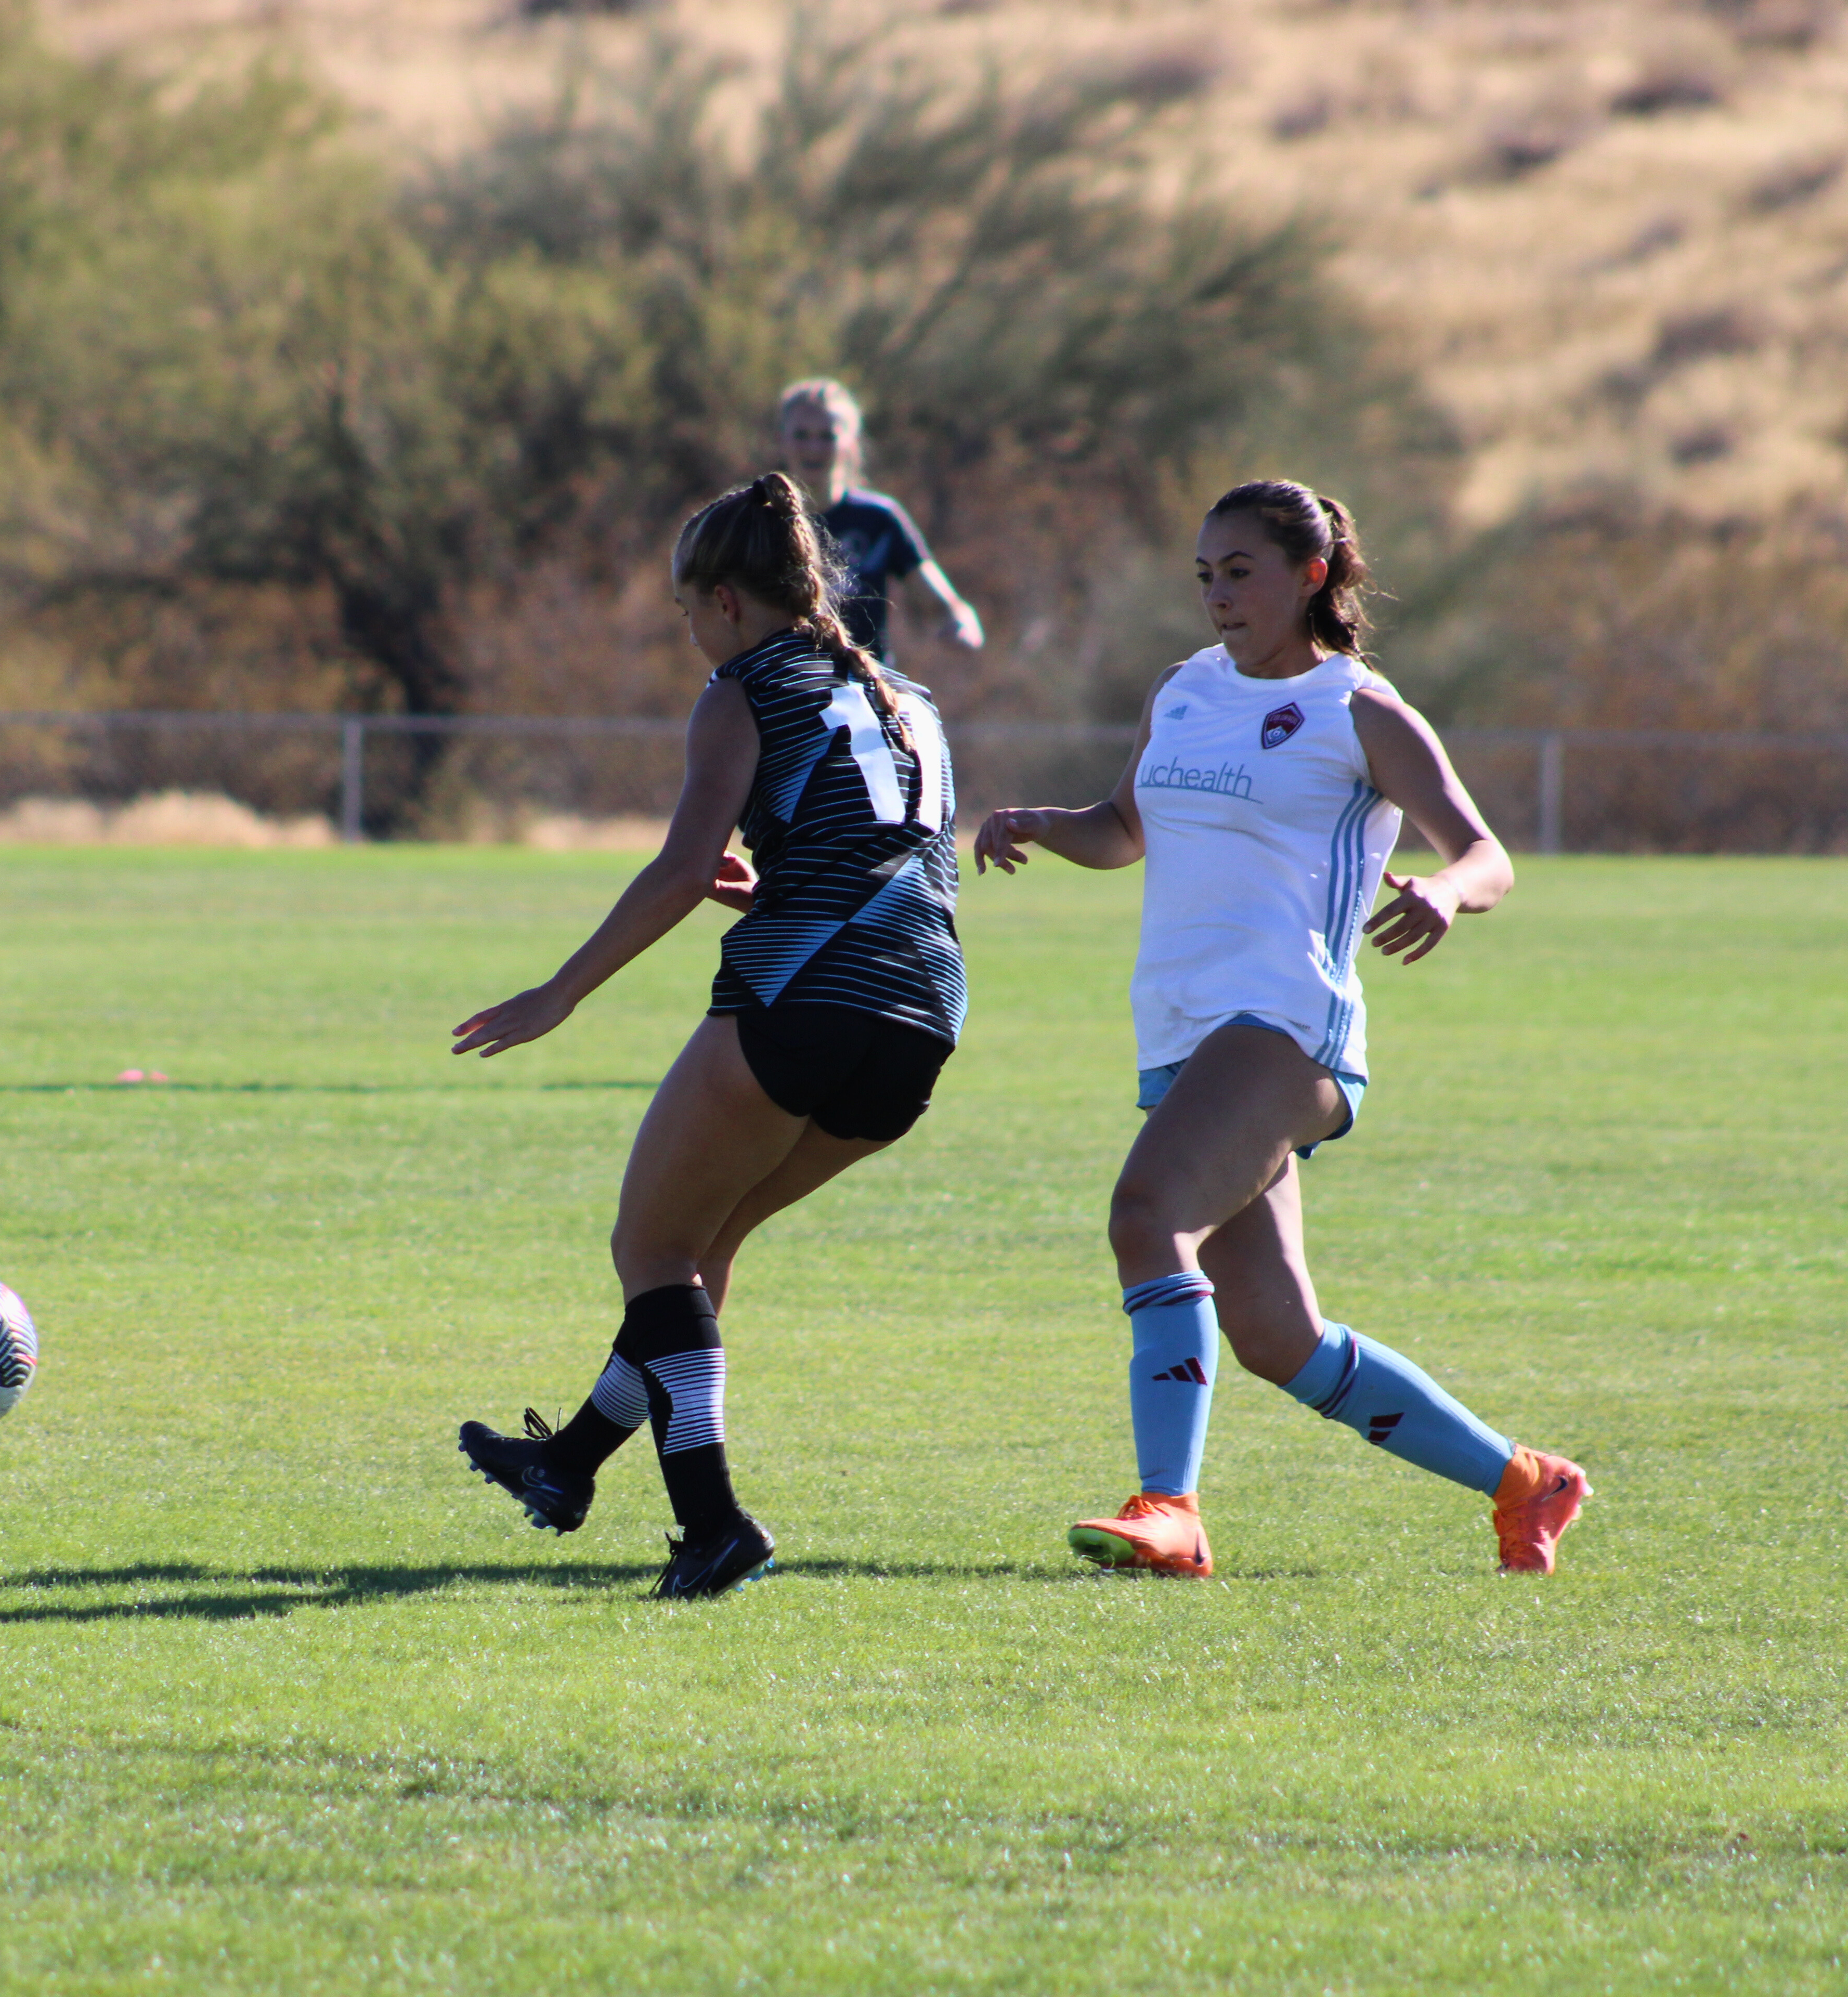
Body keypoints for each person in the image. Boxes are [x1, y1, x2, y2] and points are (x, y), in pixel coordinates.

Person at [970, 480, 1591, 1578]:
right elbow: (1125, 828)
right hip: (1181, 1032)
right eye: (1205, 574)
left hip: (1286, 1027)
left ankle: (1170, 1508)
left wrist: (1447, 892)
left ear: (1313, 574)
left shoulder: (1361, 710)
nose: (1217, 594)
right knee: (1278, 1338)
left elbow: (1486, 850)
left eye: (1240, 569)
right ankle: (1526, 1482)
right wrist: (1041, 823)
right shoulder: (1183, 692)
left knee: (1146, 1211)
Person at [451, 472, 966, 1599]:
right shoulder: (910, 695)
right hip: (924, 1016)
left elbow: (683, 866)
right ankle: (568, 1464)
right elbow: (890, 861)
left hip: (806, 995)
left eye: (688, 611)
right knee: (700, 1254)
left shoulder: (742, 686)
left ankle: (714, 1523)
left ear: (729, 601)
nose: (690, 635)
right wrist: (770, 890)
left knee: (651, 1254)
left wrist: (561, 992)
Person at [776, 378, 985, 661]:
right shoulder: (762, 521)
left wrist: (961, 624)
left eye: (827, 436)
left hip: (867, 689)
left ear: (850, 441)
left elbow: (943, 603)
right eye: (802, 435)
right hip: (784, 688)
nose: (814, 448)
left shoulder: (878, 519)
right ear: (782, 438)